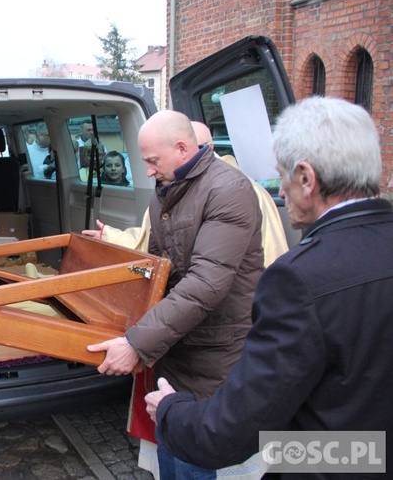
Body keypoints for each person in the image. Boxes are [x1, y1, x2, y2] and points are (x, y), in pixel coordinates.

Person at [145, 97, 393, 475]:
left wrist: (171, 410)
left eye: (283, 176)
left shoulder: (299, 278)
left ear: (307, 179)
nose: (280, 193)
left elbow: (229, 433)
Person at [86, 110, 264, 479]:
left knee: (193, 464)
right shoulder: (166, 191)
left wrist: (136, 343)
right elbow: (159, 272)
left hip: (213, 356)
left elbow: (205, 284)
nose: (148, 171)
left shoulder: (228, 189)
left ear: (182, 148)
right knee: (171, 461)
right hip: (176, 349)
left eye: (152, 161)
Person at [85, 121, 288, 267]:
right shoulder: (174, 187)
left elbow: (212, 273)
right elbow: (158, 238)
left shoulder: (239, 192)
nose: (150, 171)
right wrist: (111, 236)